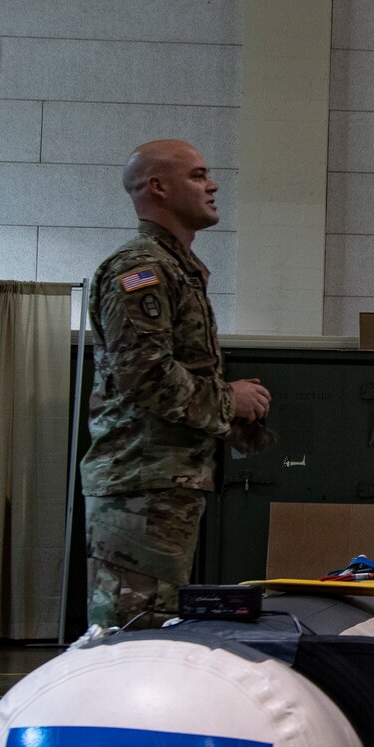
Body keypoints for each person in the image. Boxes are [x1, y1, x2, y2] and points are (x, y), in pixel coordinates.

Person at [82, 140, 271, 629]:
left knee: (155, 624)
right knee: (133, 631)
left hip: (164, 484)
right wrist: (231, 399)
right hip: (140, 486)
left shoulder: (177, 268)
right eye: (198, 175)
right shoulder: (140, 269)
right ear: (158, 187)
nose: (212, 185)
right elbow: (145, 374)